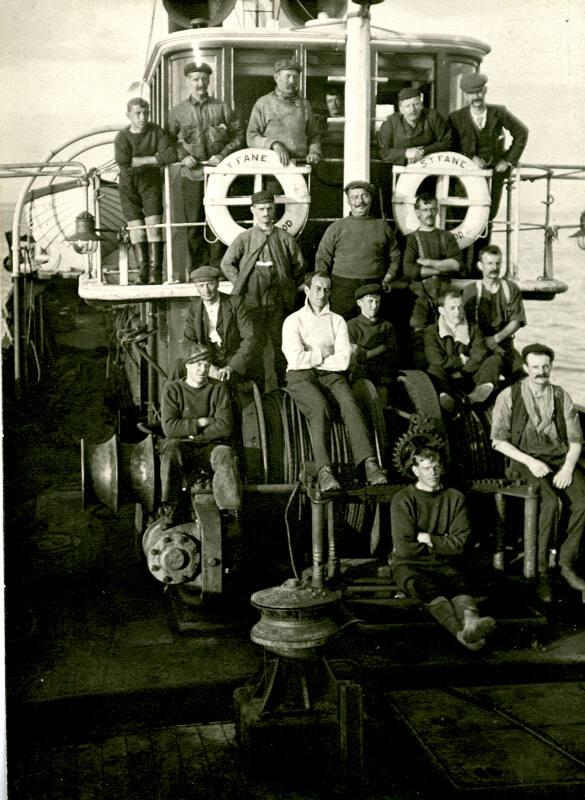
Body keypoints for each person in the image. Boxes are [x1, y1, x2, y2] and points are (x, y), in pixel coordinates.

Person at [491, 343, 585, 594]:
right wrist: (531, 462)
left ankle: (566, 564)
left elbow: (576, 441)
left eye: (545, 366)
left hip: (559, 459)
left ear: (551, 367)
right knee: (549, 502)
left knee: (582, 502)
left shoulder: (561, 396)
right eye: (535, 367)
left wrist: (567, 468)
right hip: (524, 461)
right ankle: (541, 571)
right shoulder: (509, 396)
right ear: (525, 368)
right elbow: (498, 441)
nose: (541, 372)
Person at [282, 271, 388, 492]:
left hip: (331, 375)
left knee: (350, 403)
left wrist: (312, 355)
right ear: (307, 290)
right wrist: (323, 352)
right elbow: (295, 359)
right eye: (317, 288)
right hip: (300, 376)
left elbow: (343, 361)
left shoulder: (337, 321)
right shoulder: (293, 321)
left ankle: (369, 464)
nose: (322, 294)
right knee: (318, 407)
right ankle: (324, 470)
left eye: (326, 289)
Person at [390, 446, 496, 651]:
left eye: (436, 467)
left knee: (458, 586)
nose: (433, 473)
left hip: (444, 563)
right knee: (427, 590)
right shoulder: (403, 499)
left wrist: (429, 538)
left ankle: (472, 624)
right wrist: (442, 543)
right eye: (426, 468)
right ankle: (462, 635)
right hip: (408, 565)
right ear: (415, 471)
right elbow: (404, 549)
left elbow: (460, 544)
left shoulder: (455, 498)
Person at [220, 190, 305, 388]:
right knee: (254, 346)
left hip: (277, 301)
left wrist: (288, 284)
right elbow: (226, 264)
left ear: (274, 210)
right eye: (261, 209)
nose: (265, 213)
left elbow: (299, 264)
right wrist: (240, 282)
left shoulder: (284, 237)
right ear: (253, 210)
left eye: (269, 208)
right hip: (252, 302)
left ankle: (284, 388)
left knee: (281, 345)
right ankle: (256, 390)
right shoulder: (244, 238)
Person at [167, 61, 243, 271]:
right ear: (187, 82)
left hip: (220, 176)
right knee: (194, 223)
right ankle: (200, 270)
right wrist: (183, 156)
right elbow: (169, 140)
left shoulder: (222, 107)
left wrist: (222, 154)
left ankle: (218, 268)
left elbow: (238, 135)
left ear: (209, 81)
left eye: (203, 79)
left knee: (219, 220)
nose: (200, 83)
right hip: (192, 175)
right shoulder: (178, 111)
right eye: (195, 79)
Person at [449, 73, 528, 259]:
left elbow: (521, 133)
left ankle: (479, 267)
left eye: (479, 92)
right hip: (463, 182)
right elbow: (449, 145)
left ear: (485, 91)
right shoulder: (455, 118)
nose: (476, 97)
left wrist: (507, 160)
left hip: (493, 179)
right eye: (471, 93)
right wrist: (469, 157)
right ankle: (460, 266)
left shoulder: (499, 113)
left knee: (485, 220)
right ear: (465, 95)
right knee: (460, 220)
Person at [160, 344, 242, 524]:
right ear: (187, 365)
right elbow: (169, 428)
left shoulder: (218, 388)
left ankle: (230, 512)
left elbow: (224, 427)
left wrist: (190, 433)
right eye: (198, 364)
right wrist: (201, 422)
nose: (203, 369)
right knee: (171, 450)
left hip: (212, 447)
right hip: (183, 447)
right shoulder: (173, 390)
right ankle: (171, 508)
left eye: (206, 365)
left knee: (225, 454)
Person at [315, 180, 401, 319]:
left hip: (373, 287)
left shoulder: (383, 226)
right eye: (354, 197)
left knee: (372, 327)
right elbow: (322, 259)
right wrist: (324, 287)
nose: (359, 201)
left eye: (364, 196)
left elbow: (396, 257)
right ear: (348, 201)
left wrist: (388, 278)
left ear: (371, 198)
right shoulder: (336, 227)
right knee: (341, 325)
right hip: (342, 289)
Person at [114, 98, 176, 284]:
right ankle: (142, 274)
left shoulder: (156, 131)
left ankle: (156, 274)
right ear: (128, 115)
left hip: (150, 182)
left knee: (153, 226)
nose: (142, 117)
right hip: (128, 185)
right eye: (138, 113)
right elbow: (124, 162)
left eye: (146, 113)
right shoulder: (122, 137)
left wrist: (141, 160)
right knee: (136, 229)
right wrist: (155, 159)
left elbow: (170, 154)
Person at [404, 193, 464, 367]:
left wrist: (430, 262)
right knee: (418, 330)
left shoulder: (447, 237)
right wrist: (443, 267)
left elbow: (457, 265)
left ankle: (450, 368)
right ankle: (423, 371)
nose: (429, 213)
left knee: (450, 330)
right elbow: (410, 271)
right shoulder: (412, 239)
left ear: (437, 210)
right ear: (417, 212)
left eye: (432, 209)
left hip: (445, 293)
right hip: (420, 294)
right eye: (424, 210)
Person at [424, 287, 501, 407]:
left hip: (470, 376)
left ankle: (477, 395)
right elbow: (436, 359)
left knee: (494, 360)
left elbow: (479, 355)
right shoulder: (431, 331)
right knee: (433, 369)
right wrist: (461, 360)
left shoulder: (473, 328)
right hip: (446, 378)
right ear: (441, 310)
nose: (457, 312)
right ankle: (448, 399)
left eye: (460, 307)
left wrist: (462, 372)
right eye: (452, 308)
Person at [182, 266, 257, 383]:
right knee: (177, 367)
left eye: (209, 284)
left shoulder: (235, 303)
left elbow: (250, 338)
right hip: (207, 359)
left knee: (225, 383)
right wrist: (206, 365)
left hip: (232, 359)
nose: (206, 290)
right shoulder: (194, 307)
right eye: (201, 286)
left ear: (217, 284)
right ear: (196, 287)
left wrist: (231, 367)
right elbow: (188, 340)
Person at [462, 244, 526, 380]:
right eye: (490, 263)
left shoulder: (511, 288)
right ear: (480, 265)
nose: (494, 267)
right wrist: (483, 343)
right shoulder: (471, 291)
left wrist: (495, 339)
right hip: (478, 344)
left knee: (521, 376)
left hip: (503, 343)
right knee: (484, 372)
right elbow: (465, 324)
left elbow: (517, 321)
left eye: (498, 263)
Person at [246, 59, 321, 168]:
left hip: (300, 165)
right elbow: (251, 137)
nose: (292, 81)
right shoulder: (264, 103)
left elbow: (314, 135)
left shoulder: (304, 105)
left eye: (295, 77)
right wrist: (274, 144)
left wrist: (314, 151)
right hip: (271, 167)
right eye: (288, 76)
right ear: (276, 77)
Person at [377, 87, 452, 167]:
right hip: (402, 169)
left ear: (421, 105)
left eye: (416, 104)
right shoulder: (390, 123)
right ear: (401, 109)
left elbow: (448, 142)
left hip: (432, 167)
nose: (412, 109)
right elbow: (383, 152)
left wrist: (423, 151)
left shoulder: (433, 117)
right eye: (407, 106)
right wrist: (405, 152)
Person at [347, 283, 401, 386]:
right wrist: (378, 350)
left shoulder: (386, 326)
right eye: (370, 301)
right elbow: (350, 358)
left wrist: (364, 353)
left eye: (377, 302)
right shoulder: (352, 325)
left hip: (383, 371)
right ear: (359, 303)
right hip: (360, 372)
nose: (374, 306)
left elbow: (393, 354)